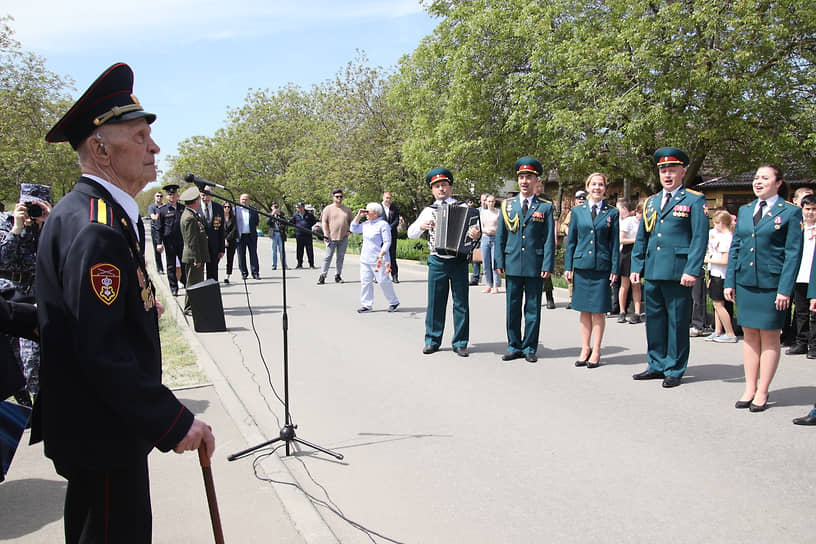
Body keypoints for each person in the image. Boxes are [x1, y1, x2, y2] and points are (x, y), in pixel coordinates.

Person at [37, 62, 214, 542]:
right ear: (99, 147)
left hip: (96, 427)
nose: (154, 146)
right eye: (139, 136)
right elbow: (100, 350)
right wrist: (174, 421)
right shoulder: (97, 226)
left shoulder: (95, 213)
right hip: (105, 432)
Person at [725, 165, 803, 412]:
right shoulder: (746, 211)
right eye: (756, 178)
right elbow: (736, 247)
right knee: (748, 336)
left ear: (778, 183)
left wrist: (784, 289)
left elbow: (793, 255)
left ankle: (763, 390)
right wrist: (730, 281)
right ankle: (749, 387)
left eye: (765, 178)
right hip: (747, 282)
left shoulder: (790, 212)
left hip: (772, 285)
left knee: (769, 337)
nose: (758, 182)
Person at [630, 147, 708, 388]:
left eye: (672, 170)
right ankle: (656, 363)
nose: (667, 174)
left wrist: (692, 269)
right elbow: (643, 237)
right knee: (654, 320)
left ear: (682, 172)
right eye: (663, 170)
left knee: (676, 322)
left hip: (678, 271)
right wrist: (637, 265)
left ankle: (674, 368)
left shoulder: (694, 200)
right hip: (653, 270)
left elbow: (699, 238)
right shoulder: (652, 202)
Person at [408, 168, 480, 357]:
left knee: (461, 303)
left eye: (444, 185)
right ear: (432, 190)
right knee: (435, 302)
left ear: (450, 187)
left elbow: (475, 235)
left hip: (458, 261)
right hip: (437, 261)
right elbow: (411, 233)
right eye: (437, 186)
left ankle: (460, 342)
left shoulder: (465, 208)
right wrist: (422, 226)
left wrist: (475, 234)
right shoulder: (428, 211)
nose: (441, 189)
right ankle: (432, 340)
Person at [495, 157, 555, 363]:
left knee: (532, 308)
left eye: (528, 177)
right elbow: (500, 236)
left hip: (535, 265)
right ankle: (513, 345)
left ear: (536, 180)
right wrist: (499, 261)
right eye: (521, 177)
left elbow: (548, 239)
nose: (524, 181)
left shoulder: (545, 207)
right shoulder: (507, 205)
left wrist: (547, 264)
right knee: (512, 308)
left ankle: (529, 346)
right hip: (511, 263)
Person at [0, 184, 51, 404]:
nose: (32, 212)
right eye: (28, 205)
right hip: (10, 296)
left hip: (38, 294)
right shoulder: (7, 224)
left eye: (36, 206)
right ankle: (24, 404)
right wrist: (17, 229)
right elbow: (3, 260)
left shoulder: (52, 226)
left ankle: (40, 404)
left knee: (33, 359)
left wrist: (49, 223)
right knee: (10, 359)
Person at [564, 172, 619, 368]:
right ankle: (584, 348)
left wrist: (614, 268)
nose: (597, 188)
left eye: (601, 185)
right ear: (587, 187)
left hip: (601, 267)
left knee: (598, 311)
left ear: (605, 188)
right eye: (593, 184)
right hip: (582, 266)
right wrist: (568, 266)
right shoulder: (578, 212)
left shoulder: (612, 213)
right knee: (584, 310)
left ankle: (596, 350)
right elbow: (571, 242)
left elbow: (614, 243)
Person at [350, 203, 400, 313]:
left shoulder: (383, 224)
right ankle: (367, 304)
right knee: (365, 282)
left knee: (383, 281)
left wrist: (382, 253)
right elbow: (353, 228)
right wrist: (358, 215)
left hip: (378, 259)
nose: (366, 213)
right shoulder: (366, 224)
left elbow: (387, 241)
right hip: (365, 258)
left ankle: (393, 301)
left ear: (376, 213)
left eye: (368, 212)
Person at [788, 194, 816, 357]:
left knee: (814, 314)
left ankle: (814, 346)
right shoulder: (798, 228)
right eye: (808, 209)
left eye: (814, 209)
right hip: (800, 275)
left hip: (813, 276)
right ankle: (801, 342)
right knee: (800, 312)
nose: (811, 212)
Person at [704, 209, 738, 343]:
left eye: (716, 223)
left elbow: (725, 260)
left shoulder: (728, 238)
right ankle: (718, 331)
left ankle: (730, 333)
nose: (715, 225)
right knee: (716, 303)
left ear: (722, 223)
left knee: (719, 304)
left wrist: (708, 260)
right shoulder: (718, 236)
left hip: (722, 275)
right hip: (715, 273)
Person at [180, 186, 210, 315]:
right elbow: (191, 241)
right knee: (193, 283)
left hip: (196, 256)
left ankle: (193, 306)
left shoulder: (192, 214)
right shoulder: (189, 217)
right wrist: (197, 258)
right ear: (195, 201)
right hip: (193, 256)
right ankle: (189, 308)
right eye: (198, 199)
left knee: (196, 282)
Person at [318, 189, 353, 284]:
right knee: (327, 257)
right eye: (337, 196)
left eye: (341, 196)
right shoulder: (328, 209)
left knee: (340, 258)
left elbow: (352, 222)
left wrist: (350, 231)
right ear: (333, 197)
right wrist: (326, 233)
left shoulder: (347, 209)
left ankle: (338, 275)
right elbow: (324, 222)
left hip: (343, 238)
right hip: (331, 238)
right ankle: (322, 276)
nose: (339, 198)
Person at [156, 183, 186, 295]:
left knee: (184, 264)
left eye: (174, 194)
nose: (172, 197)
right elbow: (158, 228)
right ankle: (174, 288)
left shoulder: (183, 208)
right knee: (171, 265)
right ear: (167, 197)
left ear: (177, 196)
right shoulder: (162, 210)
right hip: (169, 242)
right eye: (170, 195)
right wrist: (159, 243)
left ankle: (185, 283)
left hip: (182, 241)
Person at [616, 198, 643, 324]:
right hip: (627, 252)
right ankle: (622, 311)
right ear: (637, 211)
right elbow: (621, 240)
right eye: (641, 213)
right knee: (624, 284)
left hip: (638, 253)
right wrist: (636, 240)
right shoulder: (628, 221)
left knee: (636, 284)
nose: (641, 216)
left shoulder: (645, 223)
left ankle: (637, 313)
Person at [560, 190, 586, 310]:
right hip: (574, 245)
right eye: (579, 200)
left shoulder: (588, 211)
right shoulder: (573, 213)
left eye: (583, 199)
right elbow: (563, 225)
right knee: (572, 271)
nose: (581, 201)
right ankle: (571, 298)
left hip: (585, 246)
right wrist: (567, 230)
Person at [199, 186, 224, 281]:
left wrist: (221, 248)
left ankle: (212, 293)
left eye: (208, 195)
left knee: (213, 272)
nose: (205, 197)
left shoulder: (218, 207)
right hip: (200, 246)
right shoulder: (195, 206)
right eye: (203, 195)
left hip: (214, 246)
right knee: (199, 273)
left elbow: (221, 229)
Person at [236, 193, 260, 280]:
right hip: (240, 236)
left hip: (251, 235)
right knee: (241, 255)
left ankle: (255, 273)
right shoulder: (236, 209)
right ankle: (244, 273)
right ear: (240, 200)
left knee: (253, 254)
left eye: (246, 199)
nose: (244, 201)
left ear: (249, 200)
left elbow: (257, 221)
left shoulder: (253, 209)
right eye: (242, 199)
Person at [479, 194, 501, 293]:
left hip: (495, 238)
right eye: (489, 201)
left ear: (495, 202)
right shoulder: (483, 213)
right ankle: (488, 284)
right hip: (485, 238)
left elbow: (501, 226)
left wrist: (494, 230)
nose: (490, 203)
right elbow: (480, 226)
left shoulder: (498, 212)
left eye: (492, 201)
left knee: (494, 263)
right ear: (486, 202)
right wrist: (486, 230)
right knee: (486, 263)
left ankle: (496, 285)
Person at [291, 202, 317, 268]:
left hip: (307, 234)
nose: (300, 209)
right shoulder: (295, 215)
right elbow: (292, 222)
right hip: (299, 234)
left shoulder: (309, 214)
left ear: (303, 207)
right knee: (299, 250)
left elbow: (314, 221)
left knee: (309, 249)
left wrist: (308, 226)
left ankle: (311, 264)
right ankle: (299, 264)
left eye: (301, 207)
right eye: (298, 208)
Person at [382, 191, 401, 282]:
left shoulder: (394, 208)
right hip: (380, 235)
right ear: (383, 197)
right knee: (380, 255)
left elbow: (397, 220)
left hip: (391, 234)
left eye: (389, 198)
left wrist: (389, 227)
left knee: (392, 256)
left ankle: (394, 276)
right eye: (386, 198)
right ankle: (379, 275)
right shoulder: (378, 208)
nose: (388, 200)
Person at [470, 193, 488, 286]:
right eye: (483, 200)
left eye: (486, 200)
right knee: (475, 258)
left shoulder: (492, 211)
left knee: (487, 258)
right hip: (477, 237)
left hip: (487, 236)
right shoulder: (476, 211)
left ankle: (489, 279)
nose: (484, 202)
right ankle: (475, 278)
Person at [267, 203, 287, 270]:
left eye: (277, 207)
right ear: (271, 207)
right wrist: (272, 214)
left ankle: (284, 265)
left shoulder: (282, 214)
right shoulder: (269, 214)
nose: (275, 208)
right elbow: (268, 222)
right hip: (273, 233)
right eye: (274, 207)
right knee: (274, 250)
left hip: (280, 234)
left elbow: (285, 222)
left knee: (282, 250)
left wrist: (280, 215)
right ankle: (274, 265)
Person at [147, 191, 164, 273]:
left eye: (161, 196)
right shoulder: (152, 207)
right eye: (157, 196)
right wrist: (160, 213)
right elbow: (154, 217)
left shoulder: (165, 206)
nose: (159, 197)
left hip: (164, 229)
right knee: (157, 249)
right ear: (154, 197)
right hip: (155, 230)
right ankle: (159, 268)